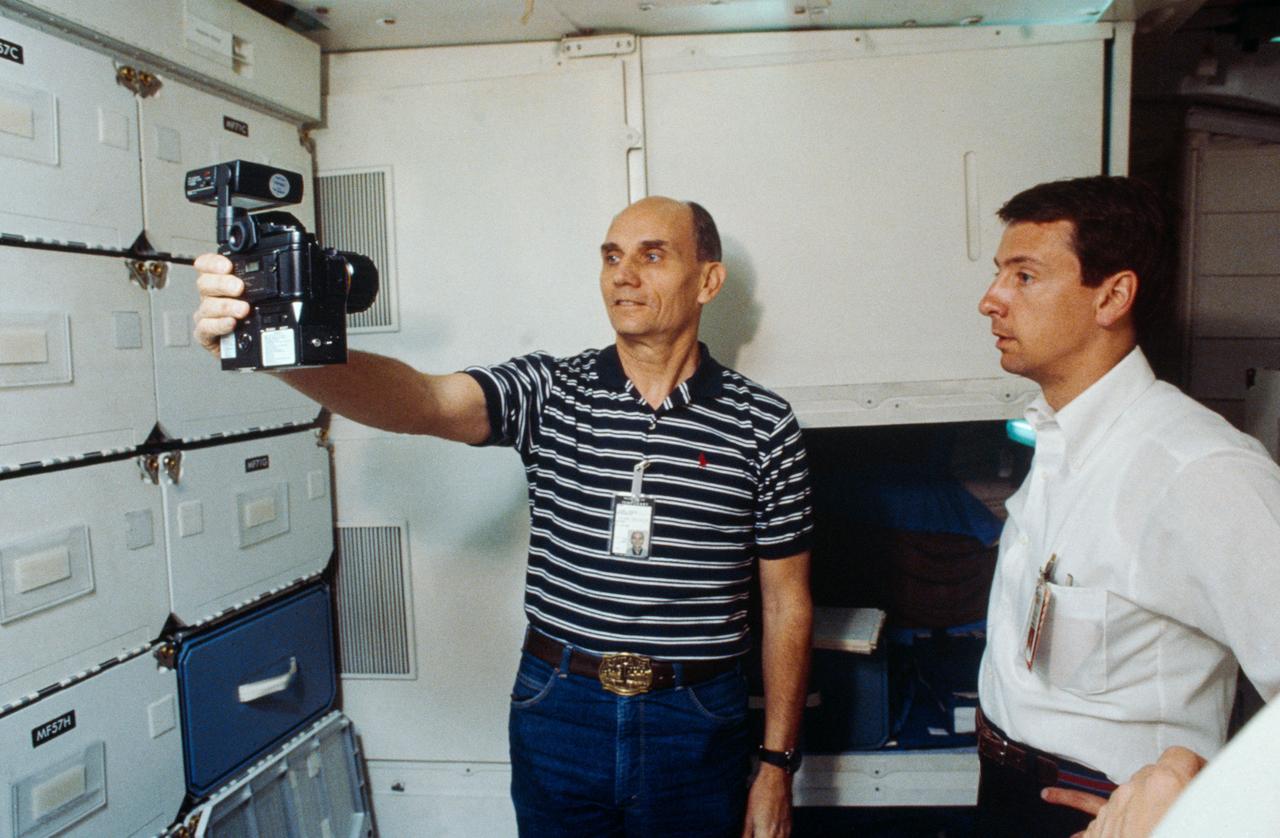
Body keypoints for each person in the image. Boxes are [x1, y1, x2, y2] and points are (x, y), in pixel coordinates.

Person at [193, 196, 814, 837]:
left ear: (708, 279)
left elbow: (787, 604)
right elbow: (424, 400)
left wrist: (777, 766)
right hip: (561, 707)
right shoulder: (551, 391)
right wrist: (278, 349)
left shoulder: (762, 424)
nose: (623, 275)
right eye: (611, 256)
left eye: (652, 256)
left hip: (698, 717)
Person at [972, 175, 1280, 837]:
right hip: (1007, 793)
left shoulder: (1199, 471)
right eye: (1000, 274)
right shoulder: (1057, 437)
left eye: (1024, 277)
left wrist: (1202, 795)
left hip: (1106, 814)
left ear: (1113, 295)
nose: (989, 301)